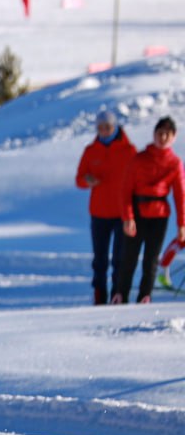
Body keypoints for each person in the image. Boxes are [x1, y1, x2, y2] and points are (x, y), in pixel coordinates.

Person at [114, 116, 185, 304]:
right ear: (154, 134)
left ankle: (145, 296)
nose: (163, 138)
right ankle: (120, 294)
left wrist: (182, 225)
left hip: (160, 215)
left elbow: (180, 195)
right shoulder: (139, 159)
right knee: (129, 256)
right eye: (160, 133)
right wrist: (128, 217)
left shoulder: (175, 163)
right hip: (137, 212)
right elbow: (125, 190)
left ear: (173, 137)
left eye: (167, 134)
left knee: (151, 259)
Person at [75, 110, 136, 305]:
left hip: (121, 213)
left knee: (120, 259)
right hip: (99, 213)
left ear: (115, 127)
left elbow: (137, 180)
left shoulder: (129, 151)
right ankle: (99, 294)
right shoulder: (91, 150)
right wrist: (87, 180)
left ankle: (118, 294)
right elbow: (79, 179)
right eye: (100, 128)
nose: (104, 131)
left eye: (107, 127)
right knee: (99, 260)